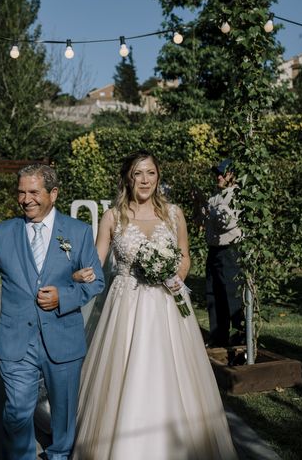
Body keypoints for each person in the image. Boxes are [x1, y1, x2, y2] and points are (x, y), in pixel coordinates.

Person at [71, 151, 237, 459]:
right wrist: (80, 273)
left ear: (158, 177)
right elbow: (96, 261)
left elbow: (185, 256)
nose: (145, 180)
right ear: (127, 179)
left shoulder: (174, 214)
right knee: (123, 374)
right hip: (126, 306)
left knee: (173, 373)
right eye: (138, 174)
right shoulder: (113, 216)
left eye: (150, 173)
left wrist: (171, 277)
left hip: (168, 305)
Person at [0, 164, 104, 460]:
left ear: (53, 194)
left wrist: (62, 297)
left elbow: (96, 281)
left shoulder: (78, 233)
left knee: (63, 417)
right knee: (16, 413)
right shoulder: (3, 233)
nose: (26, 199)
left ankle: (59, 455)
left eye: (34, 192)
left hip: (63, 339)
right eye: (21, 192)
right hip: (16, 341)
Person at [204, 158, 244, 348]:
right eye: (217, 173)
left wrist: (211, 208)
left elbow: (224, 222)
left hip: (230, 251)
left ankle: (240, 336)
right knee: (214, 293)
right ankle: (218, 336)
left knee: (232, 294)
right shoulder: (216, 196)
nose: (218, 176)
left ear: (233, 175)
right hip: (214, 250)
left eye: (222, 173)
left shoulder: (236, 196)